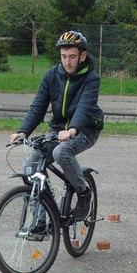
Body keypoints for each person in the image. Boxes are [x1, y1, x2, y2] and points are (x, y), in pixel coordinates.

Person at [10, 30, 104, 221]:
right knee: (31, 166)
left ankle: (83, 192)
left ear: (82, 56)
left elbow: (84, 107)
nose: (67, 62)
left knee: (61, 153)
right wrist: (23, 131)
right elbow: (38, 106)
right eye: (63, 57)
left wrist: (73, 129)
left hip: (85, 129)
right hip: (58, 130)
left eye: (72, 57)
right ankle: (43, 218)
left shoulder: (91, 78)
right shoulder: (51, 76)